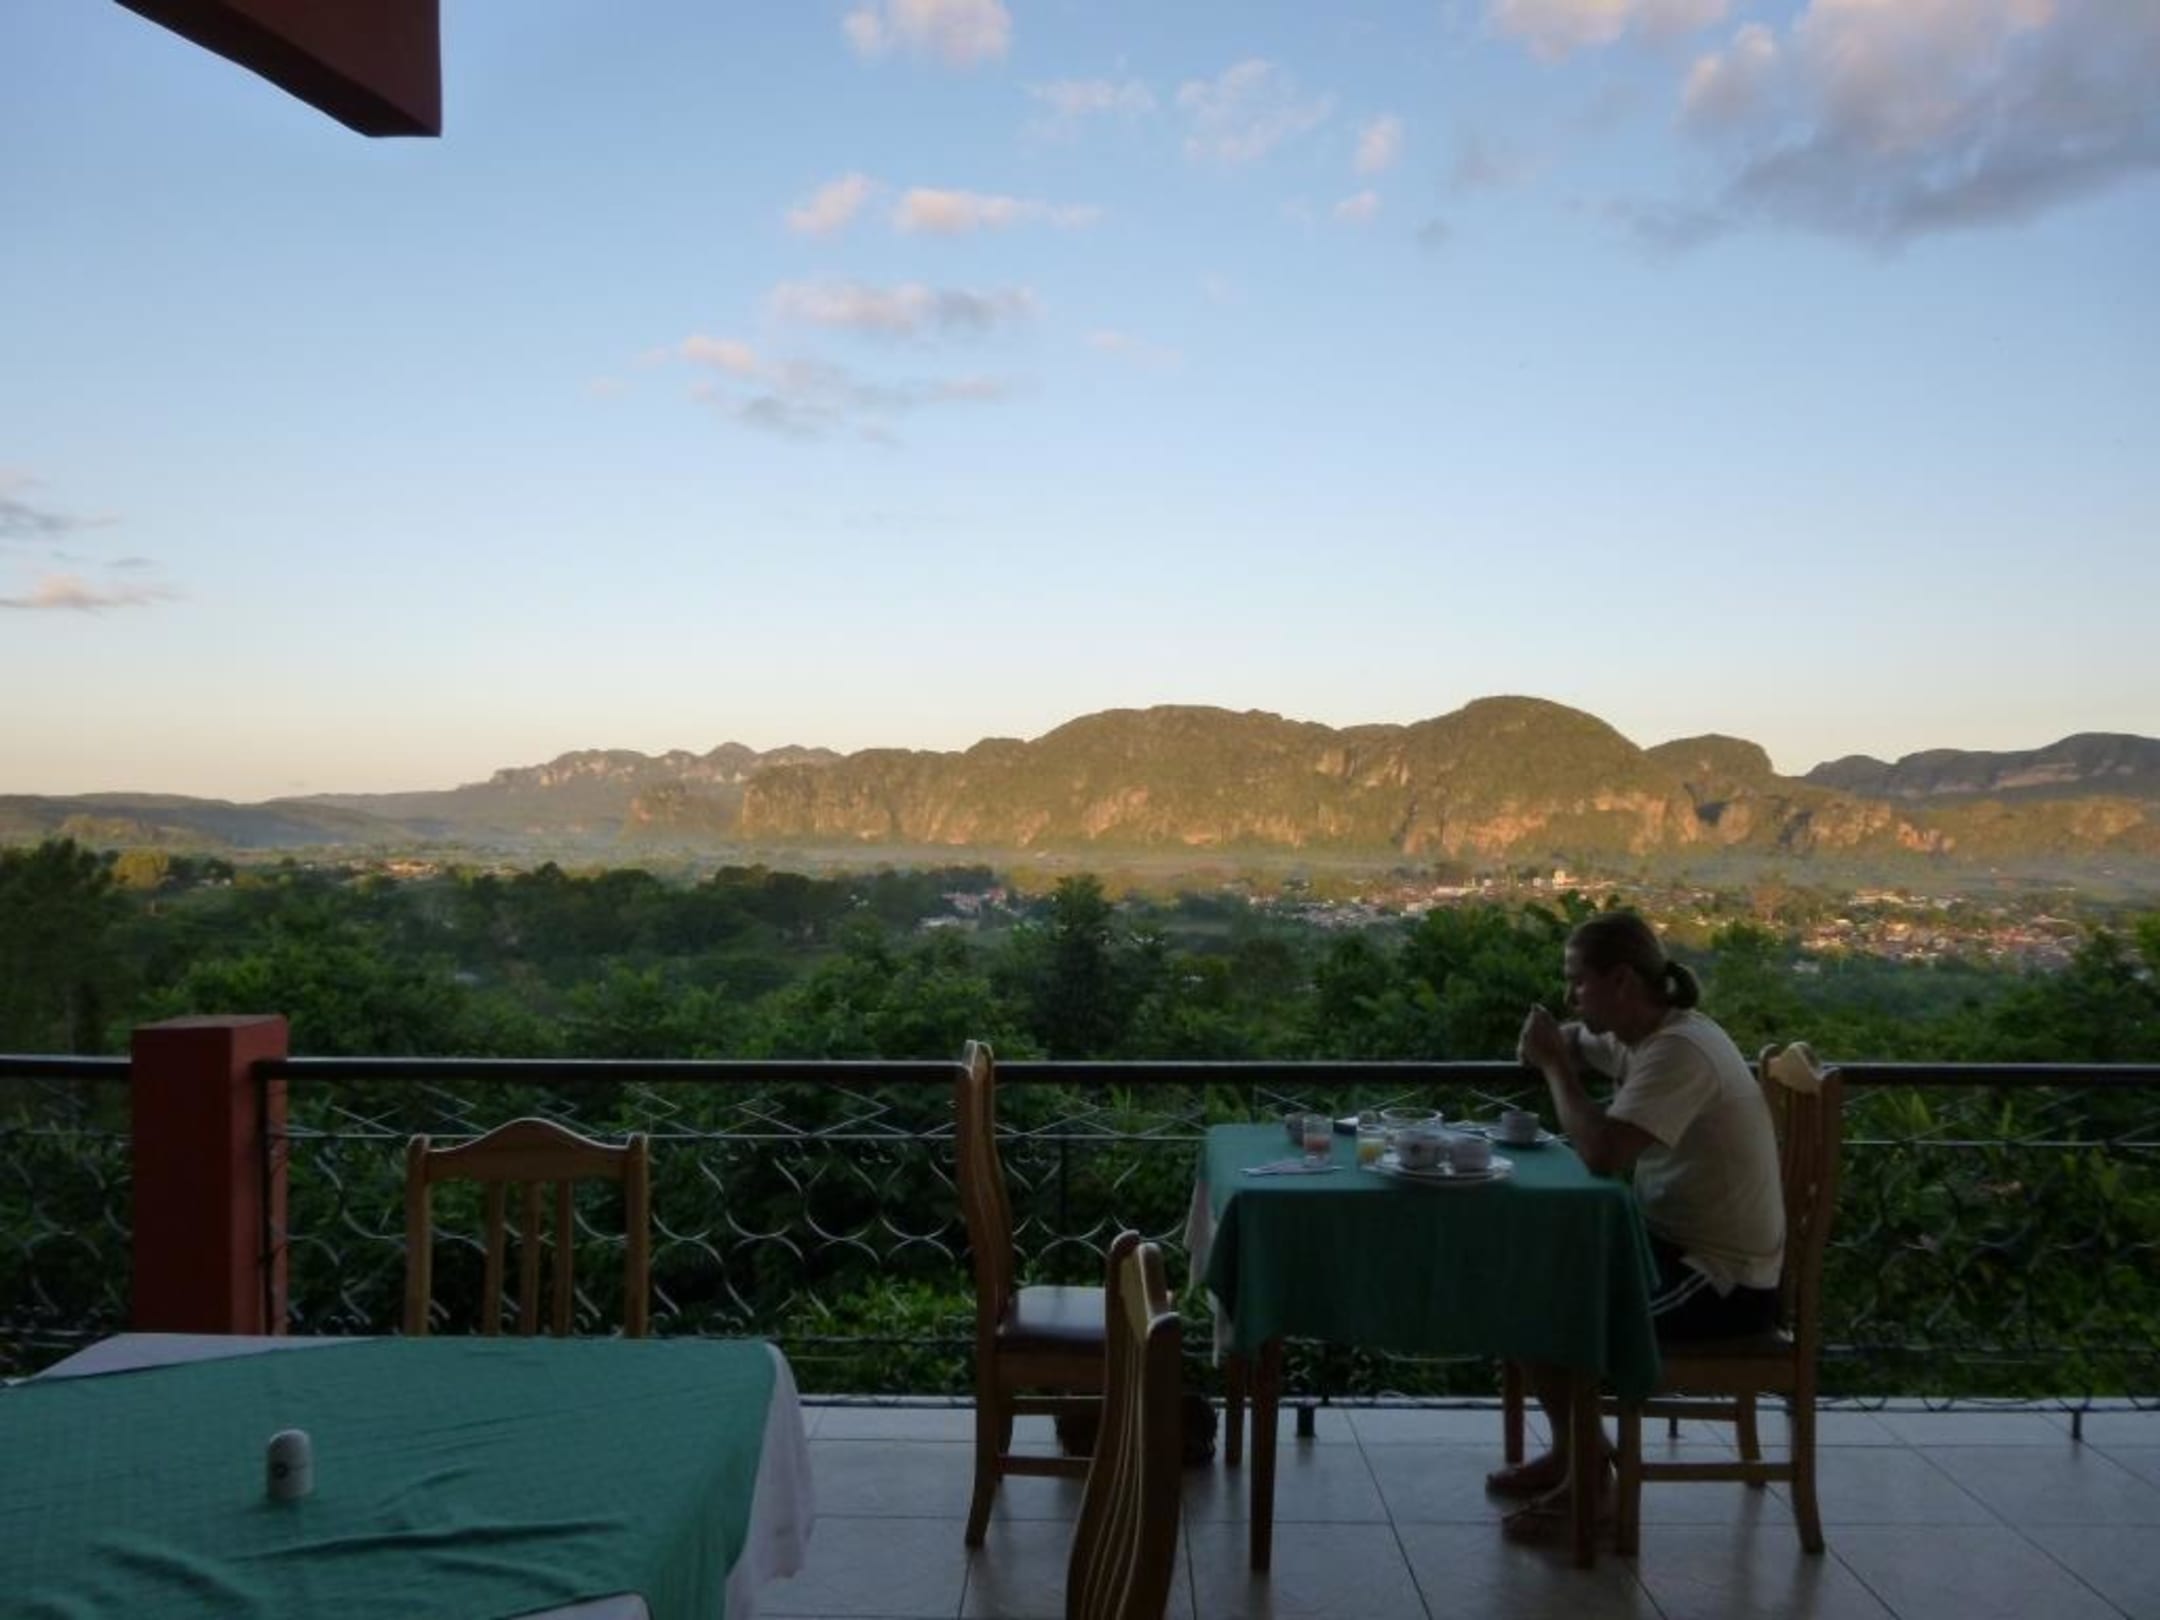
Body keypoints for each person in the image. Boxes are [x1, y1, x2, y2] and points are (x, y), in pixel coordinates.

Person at [1489, 910, 1785, 1537]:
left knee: (1554, 1313)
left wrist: (1553, 1066)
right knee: (1521, 1283)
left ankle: (1591, 1485)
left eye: (1578, 981)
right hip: (1672, 1251)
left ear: (1622, 981)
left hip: (1721, 1278)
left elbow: (1602, 1153)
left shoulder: (1679, 1052)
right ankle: (1577, 1455)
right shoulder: (1641, 1036)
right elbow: (1577, 1038)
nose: (1570, 994)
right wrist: (1558, 1041)